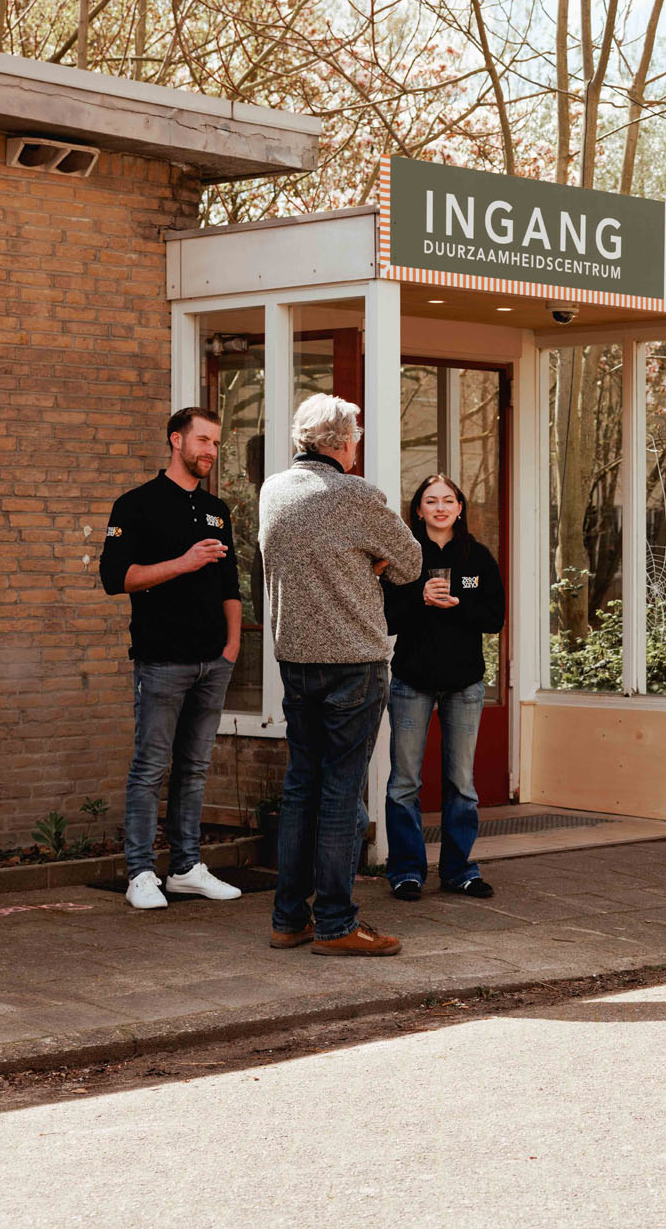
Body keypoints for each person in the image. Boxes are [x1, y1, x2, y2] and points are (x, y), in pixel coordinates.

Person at [259, 393, 426, 956]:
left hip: (295, 662)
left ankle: (289, 919)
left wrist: (356, 561)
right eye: (356, 438)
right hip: (353, 661)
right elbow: (410, 564)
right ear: (343, 443)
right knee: (340, 792)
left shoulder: (273, 490)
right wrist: (370, 563)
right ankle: (335, 923)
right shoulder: (356, 494)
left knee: (301, 787)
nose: (357, 447)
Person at [99, 407, 245, 911]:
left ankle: (185, 869)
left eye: (216, 443)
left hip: (213, 662)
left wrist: (232, 646)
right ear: (176, 440)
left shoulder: (217, 510)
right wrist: (183, 563)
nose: (210, 451)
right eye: (202, 440)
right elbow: (115, 579)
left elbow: (230, 584)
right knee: (150, 768)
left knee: (195, 768)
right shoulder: (135, 504)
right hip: (161, 660)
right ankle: (140, 873)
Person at [382, 473, 506, 902]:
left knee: (462, 784)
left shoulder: (478, 556)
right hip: (411, 681)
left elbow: (494, 619)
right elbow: (385, 619)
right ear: (418, 509)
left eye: (448, 500)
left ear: (459, 508)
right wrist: (421, 598)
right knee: (404, 783)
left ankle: (458, 870)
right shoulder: (402, 557)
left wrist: (456, 604)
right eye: (431, 500)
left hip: (464, 683)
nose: (440, 507)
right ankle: (406, 871)